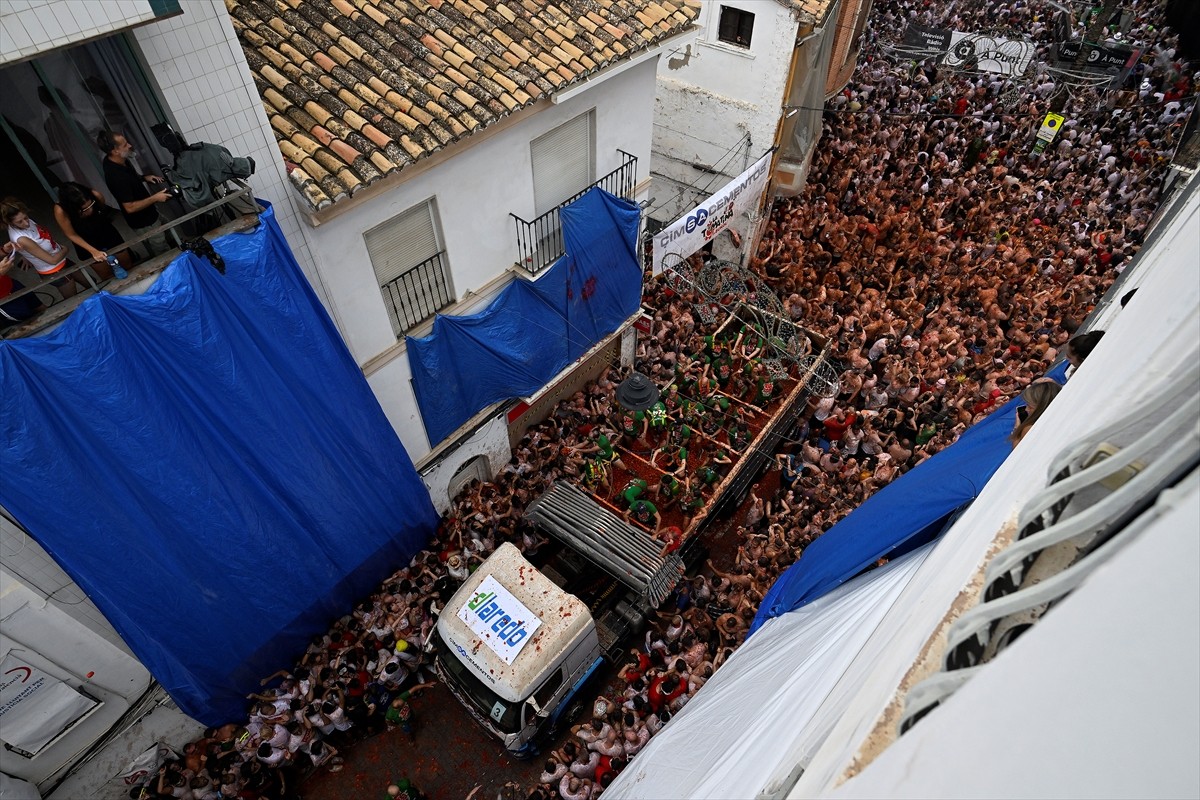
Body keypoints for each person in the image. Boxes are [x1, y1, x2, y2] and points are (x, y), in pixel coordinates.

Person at [98, 130, 172, 257]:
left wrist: (144, 178)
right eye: (125, 144)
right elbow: (129, 207)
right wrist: (155, 198)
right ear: (115, 151)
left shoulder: (120, 160)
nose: (129, 146)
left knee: (170, 235)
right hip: (144, 222)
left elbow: (131, 177)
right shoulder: (116, 176)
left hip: (152, 213)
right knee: (162, 251)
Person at [2, 197, 85, 298]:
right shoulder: (21, 239)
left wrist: (27, 254)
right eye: (20, 222)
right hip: (54, 269)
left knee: (90, 282)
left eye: (26, 217)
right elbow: (52, 261)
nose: (26, 223)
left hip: (61, 258)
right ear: (10, 223)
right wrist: (65, 249)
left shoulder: (26, 223)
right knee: (74, 299)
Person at [53, 181, 126, 277]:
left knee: (126, 263)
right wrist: (93, 251)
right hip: (84, 238)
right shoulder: (61, 210)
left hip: (105, 229)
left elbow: (102, 207)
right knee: (106, 274)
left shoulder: (96, 195)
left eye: (91, 205)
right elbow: (71, 234)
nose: (89, 210)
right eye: (84, 209)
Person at [0, 243, 44, 325]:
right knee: (29, 324)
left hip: (11, 284)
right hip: (3, 300)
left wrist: (4, 251)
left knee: (41, 308)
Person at [1010, 380, 1062, 446]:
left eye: (1030, 406)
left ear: (1042, 407)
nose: (1026, 409)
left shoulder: (1029, 429)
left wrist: (1016, 429)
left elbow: (1018, 451)